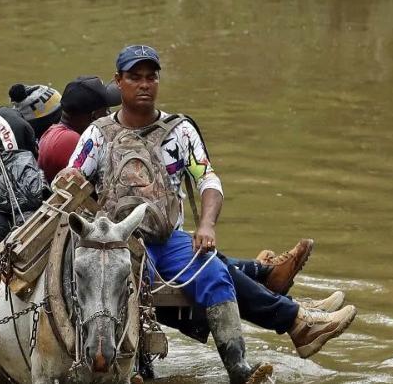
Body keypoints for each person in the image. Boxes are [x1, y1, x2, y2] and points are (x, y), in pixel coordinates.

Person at [56, 45, 357, 382]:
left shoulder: (179, 131)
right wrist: (71, 181)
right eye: (135, 77)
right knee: (133, 282)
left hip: (168, 240)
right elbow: (72, 182)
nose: (144, 84)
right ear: (119, 82)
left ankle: (239, 368)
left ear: (158, 81)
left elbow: (208, 179)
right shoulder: (97, 135)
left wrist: (207, 225)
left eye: (150, 77)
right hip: (116, 242)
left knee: (214, 272)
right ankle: (282, 301)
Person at [33, 76, 119, 181]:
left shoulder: (52, 131)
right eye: (106, 110)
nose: (108, 114)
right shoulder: (70, 140)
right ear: (94, 116)